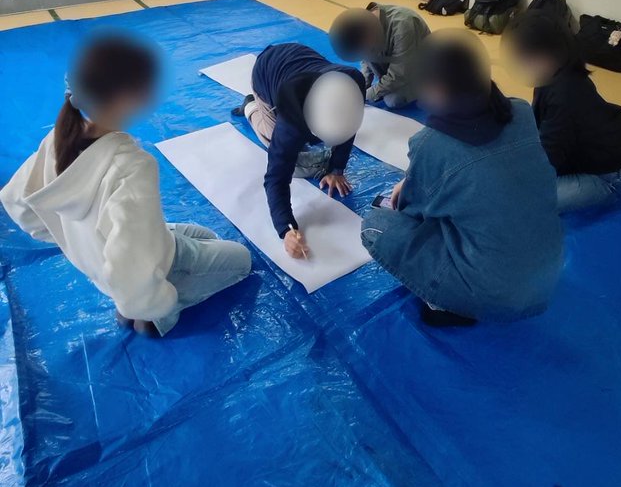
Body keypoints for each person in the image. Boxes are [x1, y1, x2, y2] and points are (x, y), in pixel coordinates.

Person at [0, 34, 251, 337]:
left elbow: (17, 203)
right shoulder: (131, 166)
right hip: (149, 270)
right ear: (127, 98)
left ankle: (132, 301)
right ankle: (154, 319)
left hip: (99, 266)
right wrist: (148, 305)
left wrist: (75, 241)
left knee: (204, 235)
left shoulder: (56, 139)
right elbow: (131, 261)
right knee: (242, 259)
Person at [361, 31, 562, 326]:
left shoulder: (432, 144)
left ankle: (446, 303)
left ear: (437, 90)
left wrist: (414, 184)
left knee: (375, 226)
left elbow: (412, 213)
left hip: (494, 295)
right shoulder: (520, 110)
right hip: (546, 278)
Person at [233, 43, 366, 260]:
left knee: (308, 153)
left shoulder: (351, 85)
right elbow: (276, 178)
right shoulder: (290, 123)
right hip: (266, 71)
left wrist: (336, 169)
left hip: (299, 58)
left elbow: (350, 124)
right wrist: (286, 229)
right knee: (275, 141)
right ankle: (251, 106)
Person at [503, 12, 621, 213]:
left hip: (606, 179)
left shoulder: (566, 92)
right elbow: (541, 131)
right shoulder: (551, 76)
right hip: (574, 161)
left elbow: (551, 157)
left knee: (520, 199)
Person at [329, 2, 430, 108]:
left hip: (419, 70)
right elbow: (365, 57)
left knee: (393, 100)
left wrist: (367, 94)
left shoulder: (404, 25)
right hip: (396, 65)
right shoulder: (366, 27)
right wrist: (361, 85)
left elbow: (399, 73)